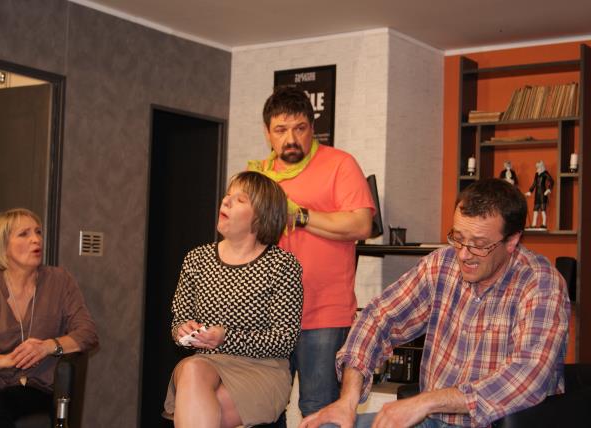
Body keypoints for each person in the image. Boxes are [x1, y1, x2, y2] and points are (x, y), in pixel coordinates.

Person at [301, 178, 569, 428]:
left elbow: (528, 374)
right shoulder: (442, 264)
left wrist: (426, 402)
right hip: (433, 421)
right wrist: (347, 400)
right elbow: (378, 318)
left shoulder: (540, 283)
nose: (464, 255)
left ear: (512, 241)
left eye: (479, 245)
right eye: (458, 238)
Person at [247, 85, 375, 416]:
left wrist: (300, 215)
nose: (291, 138)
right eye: (281, 130)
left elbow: (362, 224)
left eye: (300, 128)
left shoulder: (340, 164)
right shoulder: (259, 175)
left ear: (312, 128)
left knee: (319, 411)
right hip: (267, 314)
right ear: (267, 133)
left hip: (324, 314)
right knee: (263, 410)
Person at [163, 171, 303, 428]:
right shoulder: (197, 259)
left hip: (262, 369)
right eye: (228, 195)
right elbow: (179, 321)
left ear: (261, 217)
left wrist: (226, 337)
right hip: (206, 362)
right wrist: (183, 331)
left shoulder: (282, 265)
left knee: (198, 408)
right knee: (192, 369)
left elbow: (284, 340)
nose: (225, 201)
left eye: (240, 199)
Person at [0, 208, 99, 428]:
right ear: (2, 246)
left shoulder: (60, 281)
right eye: (24, 234)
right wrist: (3, 360)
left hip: (37, 385)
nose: (36, 239)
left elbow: (88, 333)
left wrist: (48, 346)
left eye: (38, 232)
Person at [525, 160, 554, 228]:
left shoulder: (545, 173)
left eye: (538, 166)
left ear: (541, 166)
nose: (537, 168)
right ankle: (534, 224)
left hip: (543, 193)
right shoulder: (536, 174)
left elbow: (551, 181)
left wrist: (548, 189)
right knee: (535, 209)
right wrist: (530, 191)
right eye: (537, 167)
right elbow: (534, 183)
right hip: (537, 194)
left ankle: (544, 224)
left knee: (543, 210)